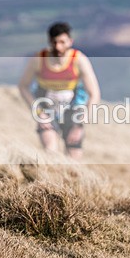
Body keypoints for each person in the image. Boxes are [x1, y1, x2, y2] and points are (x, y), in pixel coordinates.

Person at [18, 22, 100, 160]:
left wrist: (80, 123)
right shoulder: (38, 60)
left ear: (70, 41)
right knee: (50, 151)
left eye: (62, 42)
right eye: (54, 42)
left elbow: (94, 94)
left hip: (73, 112)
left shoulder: (79, 60)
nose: (58, 47)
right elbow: (23, 86)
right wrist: (38, 113)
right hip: (46, 111)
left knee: (74, 156)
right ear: (49, 41)